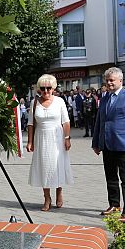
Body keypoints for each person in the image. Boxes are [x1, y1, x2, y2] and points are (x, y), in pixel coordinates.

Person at [92, 67, 125, 222]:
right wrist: (96, 142)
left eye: (112, 80)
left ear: (120, 80)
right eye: (107, 80)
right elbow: (99, 121)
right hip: (107, 144)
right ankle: (114, 204)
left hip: (123, 144)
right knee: (110, 177)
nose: (109, 83)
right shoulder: (105, 97)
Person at [27, 74, 73, 211]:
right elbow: (30, 124)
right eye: (43, 88)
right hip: (41, 137)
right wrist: (30, 141)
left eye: (49, 88)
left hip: (57, 137)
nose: (46, 91)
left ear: (53, 88)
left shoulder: (59, 101)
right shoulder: (34, 102)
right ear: (39, 89)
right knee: (44, 166)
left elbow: (66, 121)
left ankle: (59, 191)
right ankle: (47, 198)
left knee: (57, 164)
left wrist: (67, 138)